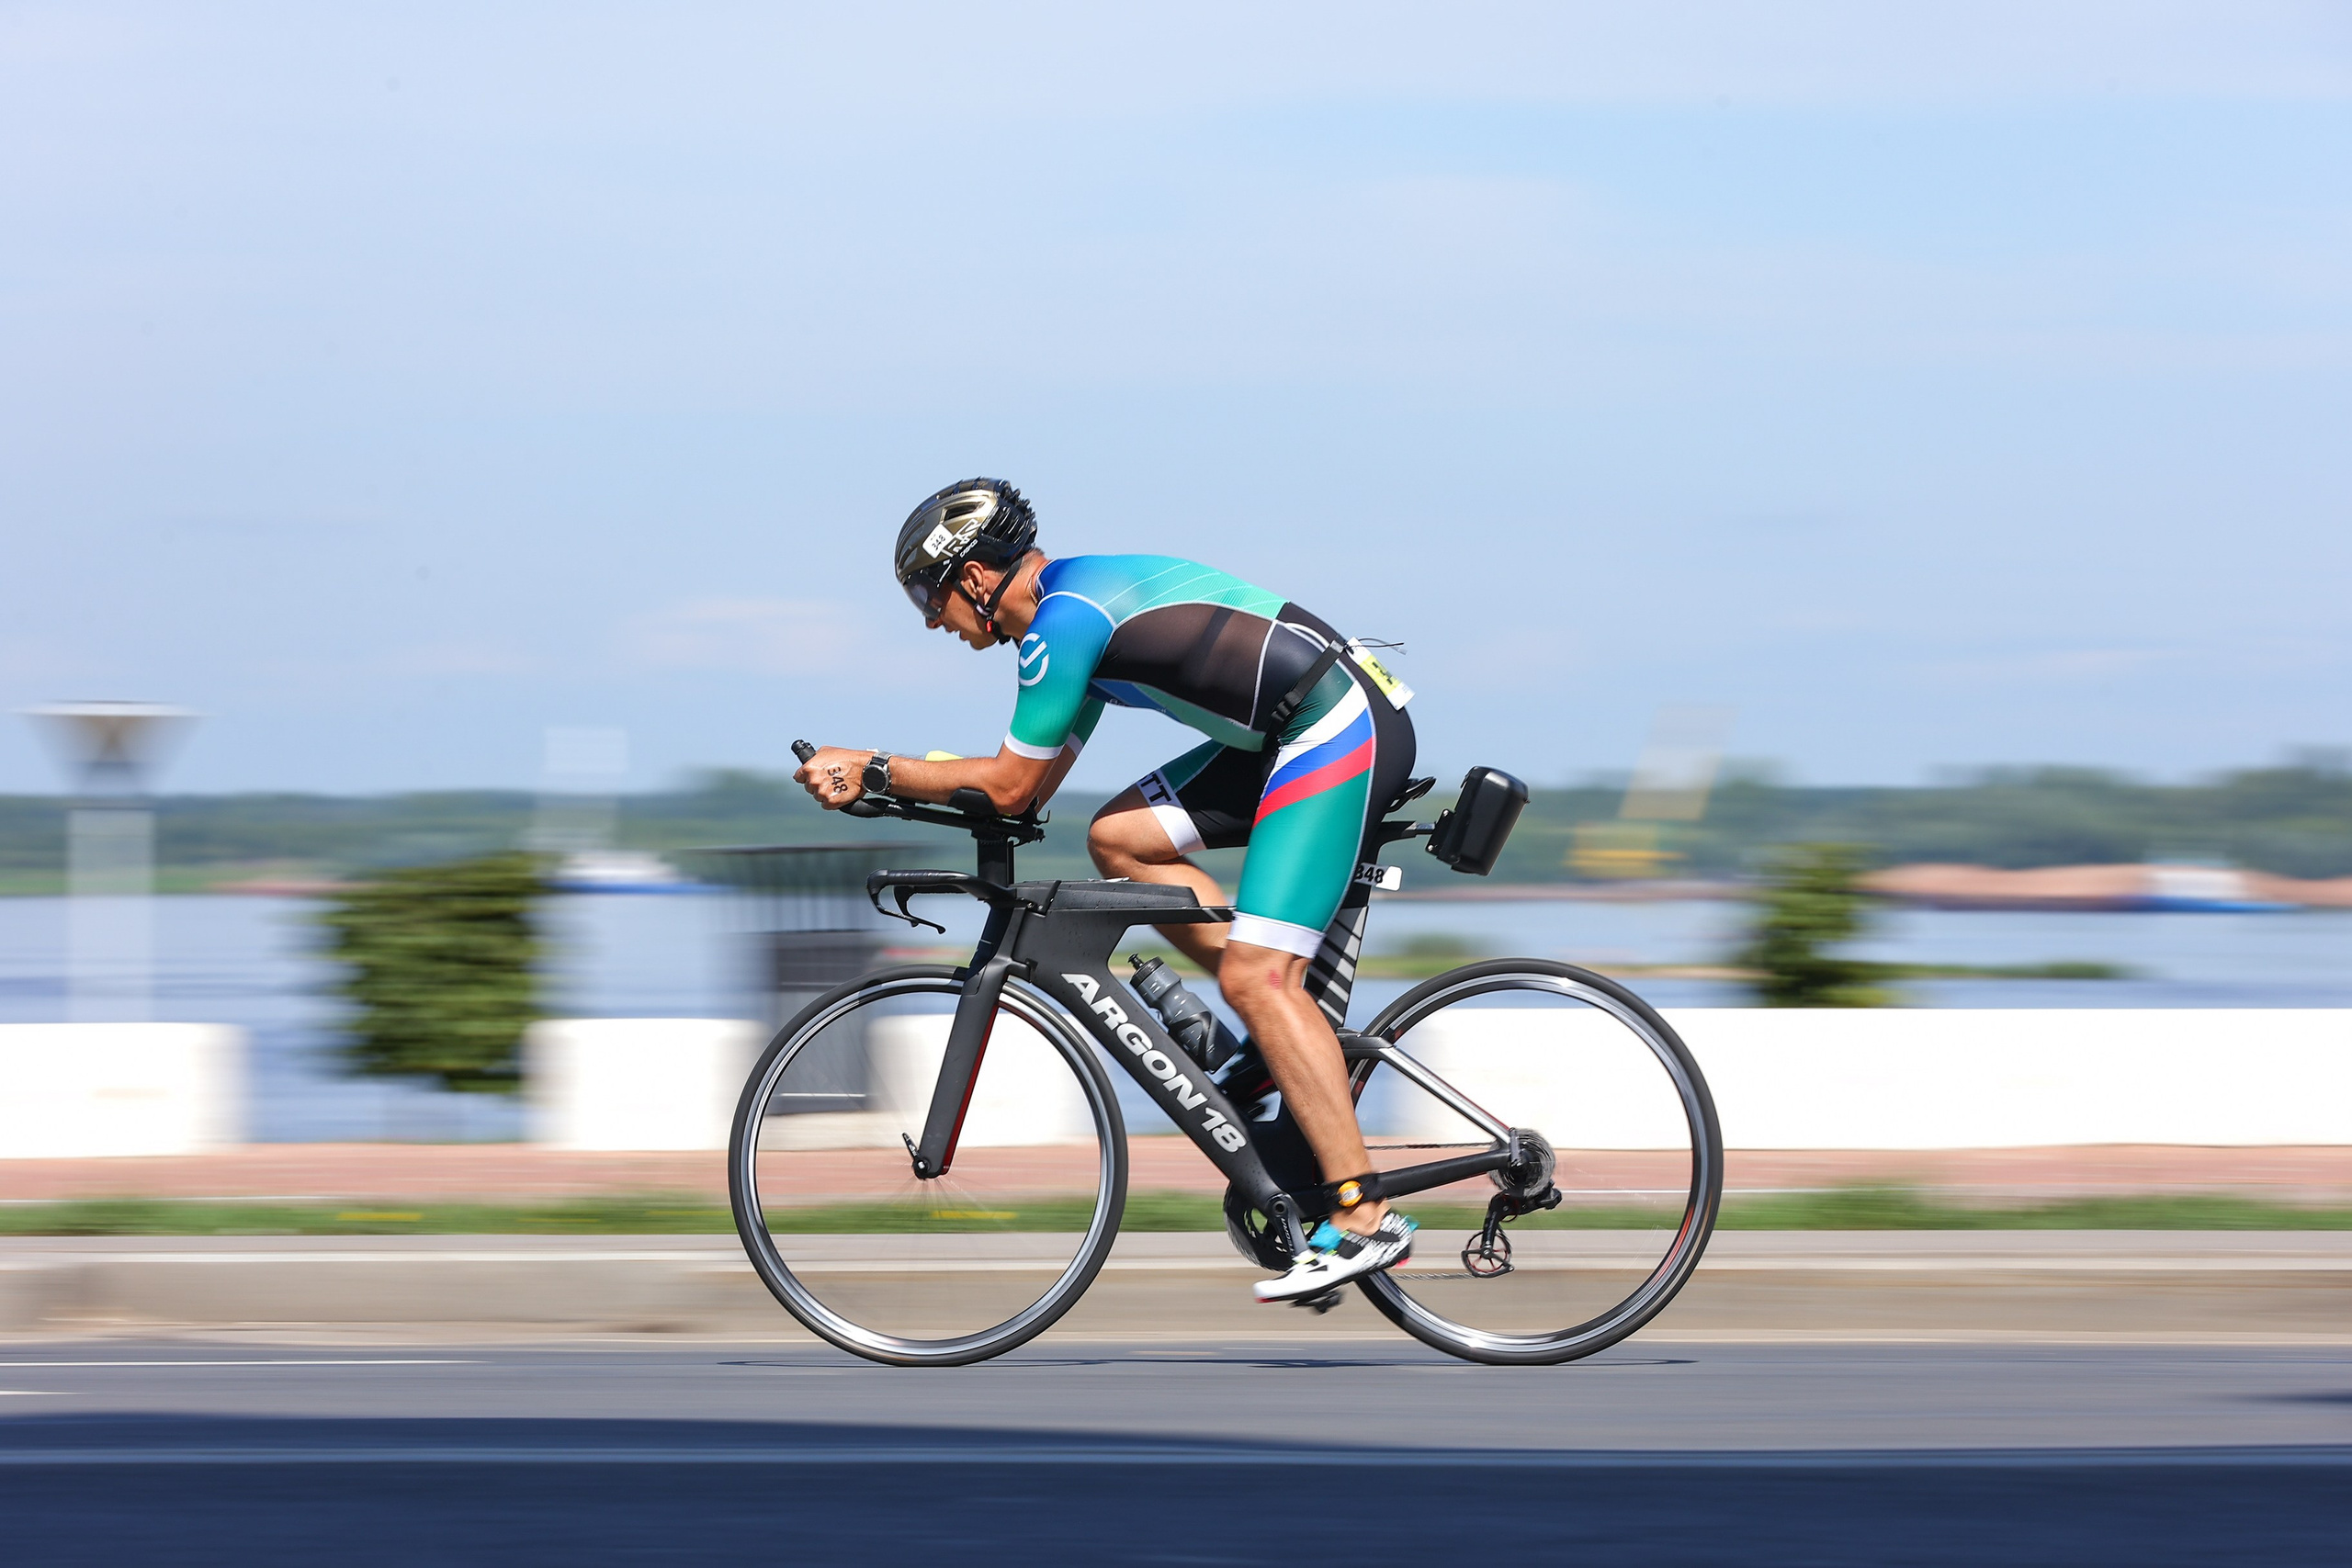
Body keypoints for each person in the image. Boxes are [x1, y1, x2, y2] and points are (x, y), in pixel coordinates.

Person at [794, 478, 1419, 1302]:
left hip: (1334, 725)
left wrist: (874, 764)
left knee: (1260, 978)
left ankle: (1364, 1212)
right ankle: (1279, 1046)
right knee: (1120, 838)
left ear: (975, 579)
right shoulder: (1062, 622)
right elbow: (1030, 785)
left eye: (928, 595)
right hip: (1293, 726)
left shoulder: (1064, 624)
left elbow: (1012, 789)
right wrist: (897, 787)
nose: (929, 619)